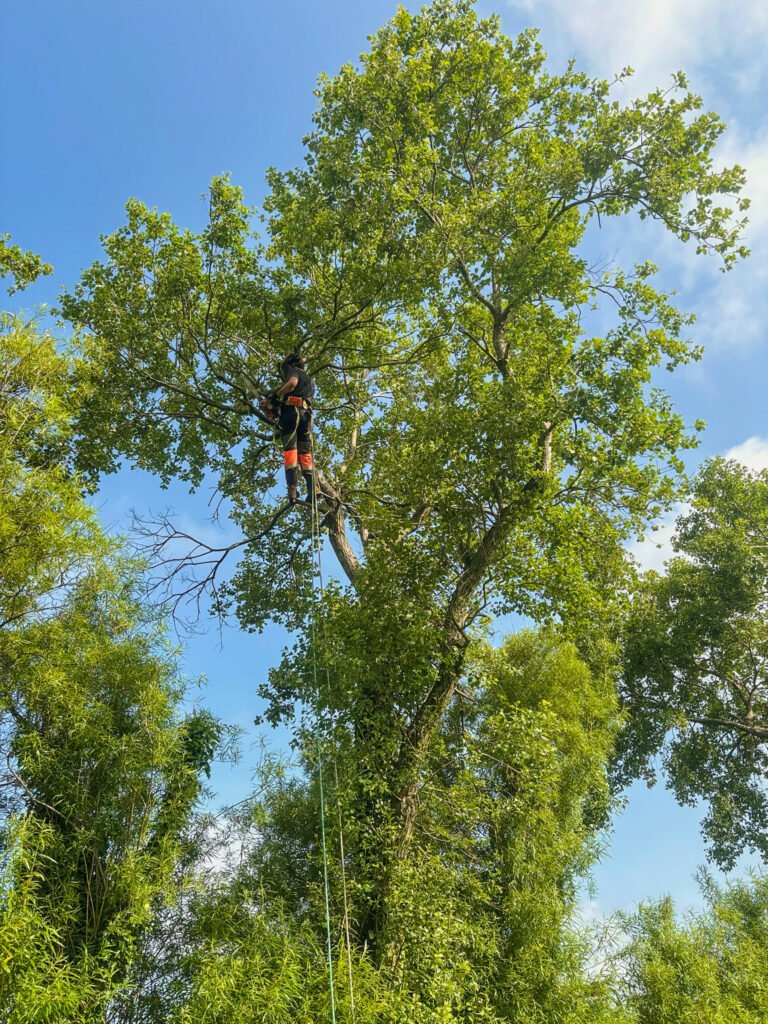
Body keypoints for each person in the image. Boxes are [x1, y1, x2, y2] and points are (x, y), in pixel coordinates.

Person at [272, 352, 316, 506]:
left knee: (290, 451)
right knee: (304, 453)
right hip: (306, 417)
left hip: (292, 414)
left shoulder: (293, 371)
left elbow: (291, 384)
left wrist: (275, 395)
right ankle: (312, 489)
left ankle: (292, 488)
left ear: (290, 364)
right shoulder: (310, 381)